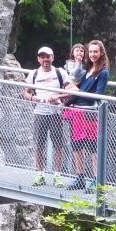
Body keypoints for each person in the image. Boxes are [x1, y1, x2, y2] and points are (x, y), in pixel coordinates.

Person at [59, 40, 109, 190]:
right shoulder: (87, 69)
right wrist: (65, 104)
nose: (93, 54)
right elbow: (78, 90)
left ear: (101, 53)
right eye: (91, 52)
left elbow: (96, 95)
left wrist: (77, 92)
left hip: (91, 113)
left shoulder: (103, 72)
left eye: (96, 52)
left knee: (93, 147)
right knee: (77, 146)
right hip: (77, 111)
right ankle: (80, 177)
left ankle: (96, 180)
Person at [23, 46, 69, 186]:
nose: (45, 60)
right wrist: (32, 99)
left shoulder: (60, 72)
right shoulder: (34, 74)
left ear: (52, 58)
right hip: (39, 112)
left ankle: (57, 175)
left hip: (56, 113)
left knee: (58, 145)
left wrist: (57, 97)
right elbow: (25, 93)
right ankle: (40, 174)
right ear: (38, 59)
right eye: (42, 57)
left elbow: (71, 91)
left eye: (47, 56)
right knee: (39, 144)